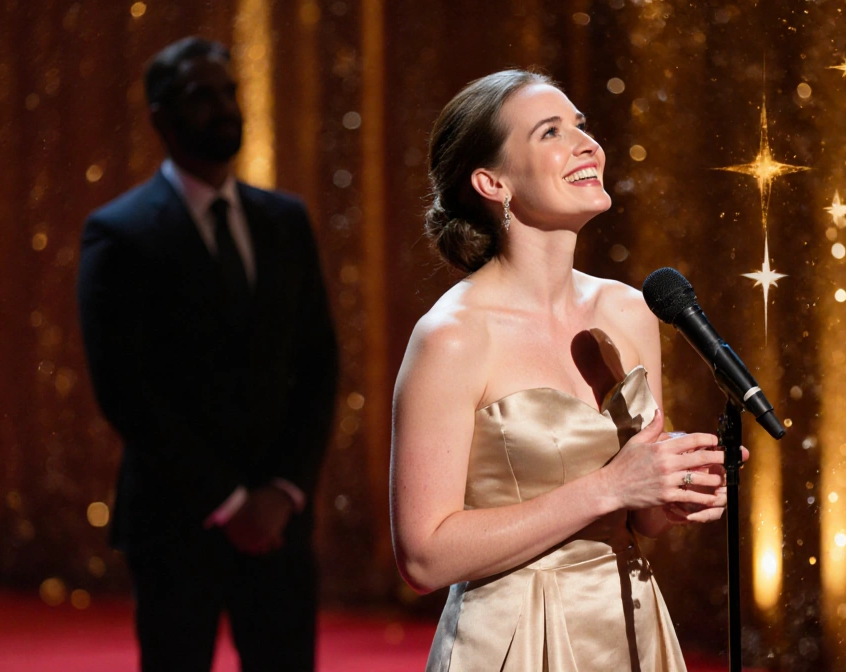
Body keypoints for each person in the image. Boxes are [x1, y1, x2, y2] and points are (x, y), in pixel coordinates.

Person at [390, 70, 746, 671]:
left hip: (628, 625)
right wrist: (608, 487)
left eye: (581, 126)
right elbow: (423, 557)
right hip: (513, 638)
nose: (588, 145)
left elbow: (643, 521)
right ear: (491, 181)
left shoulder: (629, 310)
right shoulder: (452, 337)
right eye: (551, 132)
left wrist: (673, 487)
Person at [77, 36, 337, 672]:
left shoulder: (285, 220)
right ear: (160, 118)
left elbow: (319, 364)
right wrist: (228, 502)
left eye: (229, 92)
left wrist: (281, 492)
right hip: (176, 522)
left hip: (280, 524)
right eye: (202, 96)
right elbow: (125, 390)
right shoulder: (120, 232)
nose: (224, 108)